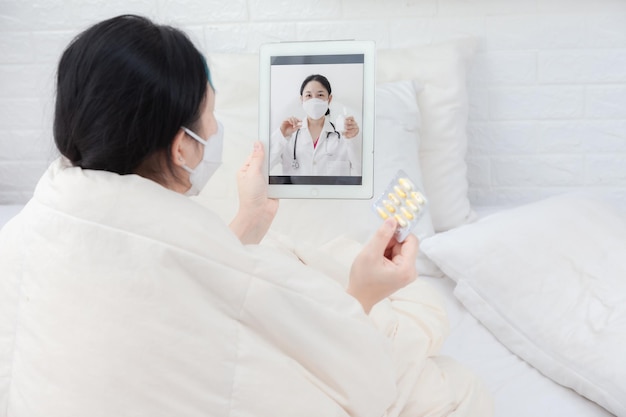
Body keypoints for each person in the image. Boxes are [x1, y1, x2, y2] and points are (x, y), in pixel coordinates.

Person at [0, 15, 493, 417]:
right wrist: (364, 294)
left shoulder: (21, 234)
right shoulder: (253, 276)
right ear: (181, 148)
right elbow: (352, 375)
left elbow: (173, 275)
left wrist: (248, 224)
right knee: (452, 385)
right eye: (210, 116)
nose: (216, 129)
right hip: (330, 321)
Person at [269, 74, 362, 176]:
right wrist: (282, 135)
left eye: (320, 95)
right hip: (296, 192)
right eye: (308, 95)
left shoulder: (344, 135)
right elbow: (263, 166)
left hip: (334, 192)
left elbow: (362, 170)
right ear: (302, 100)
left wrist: (354, 139)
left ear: (329, 99)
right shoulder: (289, 136)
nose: (314, 100)